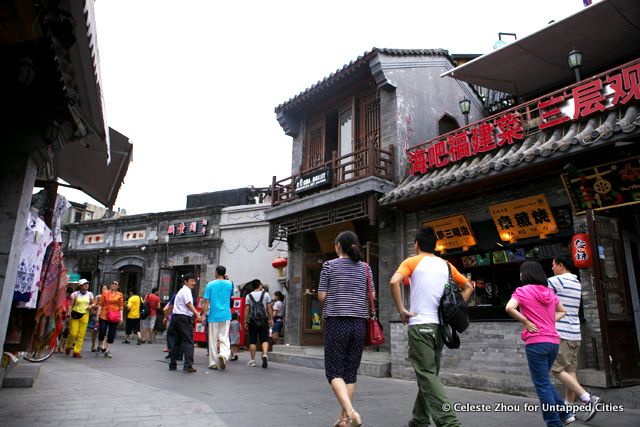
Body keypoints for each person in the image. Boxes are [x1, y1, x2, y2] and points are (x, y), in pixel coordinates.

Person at [389, 226, 473, 427]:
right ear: (434, 245)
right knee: (429, 374)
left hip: (420, 326)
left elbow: (394, 282)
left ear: (416, 244)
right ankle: (419, 419)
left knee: (426, 375)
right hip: (440, 329)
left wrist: (401, 310)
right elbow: (468, 286)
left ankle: (449, 422)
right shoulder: (446, 265)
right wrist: (455, 307)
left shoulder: (412, 261)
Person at [506, 261, 573, 427]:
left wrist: (527, 322)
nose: (520, 276)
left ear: (526, 274)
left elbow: (509, 308)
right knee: (544, 382)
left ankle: (553, 423)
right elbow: (563, 311)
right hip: (553, 342)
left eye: (521, 273)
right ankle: (565, 413)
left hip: (536, 343)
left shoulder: (522, 291)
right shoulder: (549, 292)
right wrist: (549, 322)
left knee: (542, 385)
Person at [318, 230, 371, 427]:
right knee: (350, 372)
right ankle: (344, 420)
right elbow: (370, 294)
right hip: (359, 323)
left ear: (338, 246)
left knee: (334, 372)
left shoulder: (329, 266)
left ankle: (350, 412)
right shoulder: (365, 268)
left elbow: (322, 296)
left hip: (337, 322)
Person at [548, 255, 600, 422]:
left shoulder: (557, 281)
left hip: (562, 332)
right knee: (570, 371)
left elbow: (543, 298)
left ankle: (587, 398)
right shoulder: (576, 282)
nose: (552, 268)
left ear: (560, 265)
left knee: (556, 370)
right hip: (575, 333)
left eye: (553, 265)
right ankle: (568, 410)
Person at [201, 265, 234, 370]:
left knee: (213, 339)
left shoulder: (210, 284)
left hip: (213, 315)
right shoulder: (230, 284)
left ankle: (213, 363)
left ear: (216, 272)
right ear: (224, 273)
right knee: (224, 337)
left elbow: (206, 301)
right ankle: (224, 355)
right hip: (225, 315)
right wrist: (227, 280)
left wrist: (202, 315)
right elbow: (230, 296)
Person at [169, 273, 203, 373]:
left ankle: (172, 363)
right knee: (188, 341)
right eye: (191, 281)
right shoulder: (186, 290)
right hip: (183, 318)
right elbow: (188, 304)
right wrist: (197, 314)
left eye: (194, 281)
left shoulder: (181, 291)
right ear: (185, 282)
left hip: (176, 317)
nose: (193, 283)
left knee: (177, 342)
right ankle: (188, 365)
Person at [244, 279, 273, 368]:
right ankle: (264, 354)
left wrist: (245, 321)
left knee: (252, 340)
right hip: (263, 320)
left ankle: (253, 360)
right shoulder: (266, 294)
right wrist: (271, 319)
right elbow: (269, 307)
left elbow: (247, 309)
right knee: (264, 339)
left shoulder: (248, 296)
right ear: (260, 285)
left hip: (252, 321)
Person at [64, 278, 95, 358]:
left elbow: (94, 303)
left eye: (87, 284)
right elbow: (71, 305)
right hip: (75, 315)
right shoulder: (75, 294)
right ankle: (68, 345)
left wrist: (91, 306)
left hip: (85, 315)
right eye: (84, 284)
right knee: (73, 333)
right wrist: (68, 312)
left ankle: (76, 351)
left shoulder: (90, 294)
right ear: (80, 286)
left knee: (81, 334)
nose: (86, 285)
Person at [96, 280, 124, 358]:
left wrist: (121, 317)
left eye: (116, 284)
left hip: (114, 316)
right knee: (102, 331)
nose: (114, 285)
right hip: (104, 315)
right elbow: (100, 305)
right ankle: (101, 345)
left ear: (118, 286)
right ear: (111, 285)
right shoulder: (105, 293)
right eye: (113, 283)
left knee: (111, 334)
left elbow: (121, 307)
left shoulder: (120, 295)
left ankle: (107, 350)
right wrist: (98, 315)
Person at [89, 285, 107, 352]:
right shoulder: (98, 296)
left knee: (104, 331)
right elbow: (94, 305)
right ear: (101, 289)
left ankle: (102, 345)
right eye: (103, 288)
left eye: (106, 288)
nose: (104, 289)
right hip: (96, 315)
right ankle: (93, 345)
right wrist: (99, 307)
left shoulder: (108, 297)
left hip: (105, 316)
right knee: (95, 331)